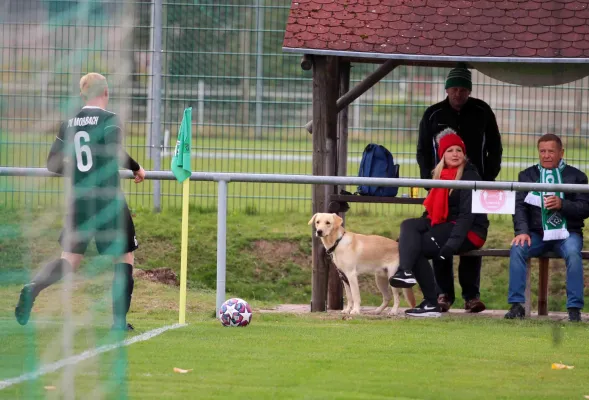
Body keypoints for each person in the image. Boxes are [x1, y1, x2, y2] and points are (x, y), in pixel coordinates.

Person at [14, 73, 145, 331]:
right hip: (107, 201)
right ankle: (118, 323)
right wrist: (137, 168)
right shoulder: (110, 120)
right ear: (106, 92)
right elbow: (113, 152)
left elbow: (52, 163)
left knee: (70, 260)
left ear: (82, 96)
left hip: (79, 201)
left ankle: (33, 288)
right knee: (123, 257)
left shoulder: (70, 123)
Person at [416, 63, 502, 313]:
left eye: (463, 89)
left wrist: (486, 178)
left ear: (469, 90)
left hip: (474, 185)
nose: (458, 94)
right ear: (447, 90)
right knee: (439, 233)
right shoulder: (433, 114)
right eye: (454, 89)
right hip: (442, 188)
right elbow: (422, 151)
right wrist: (431, 183)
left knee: (470, 238)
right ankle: (443, 294)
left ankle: (471, 296)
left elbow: (495, 147)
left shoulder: (482, 111)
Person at [390, 130, 489, 317]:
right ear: (442, 154)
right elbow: (431, 212)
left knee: (417, 248)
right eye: (450, 150)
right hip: (444, 224)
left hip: (469, 230)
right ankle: (405, 272)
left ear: (464, 153)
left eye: (459, 150)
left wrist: (452, 245)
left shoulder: (469, 175)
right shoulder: (440, 174)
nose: (455, 154)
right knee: (408, 226)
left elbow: (467, 217)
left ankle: (431, 302)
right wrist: (407, 239)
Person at [505, 134, 589, 322]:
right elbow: (519, 207)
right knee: (517, 248)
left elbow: (585, 208)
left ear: (561, 153)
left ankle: (574, 308)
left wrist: (562, 204)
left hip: (567, 233)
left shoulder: (577, 177)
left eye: (551, 151)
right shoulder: (527, 176)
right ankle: (517, 305)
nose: (546, 155)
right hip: (536, 234)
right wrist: (522, 231)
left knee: (573, 253)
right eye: (542, 151)